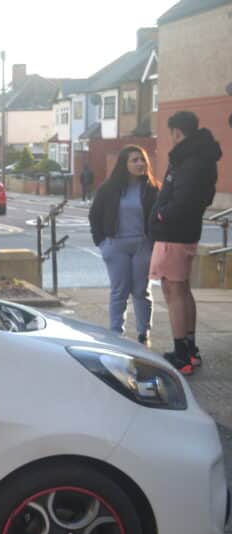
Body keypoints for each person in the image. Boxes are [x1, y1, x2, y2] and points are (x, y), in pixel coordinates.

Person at [149, 110, 222, 375]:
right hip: (184, 231)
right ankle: (189, 348)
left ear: (177, 132)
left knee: (173, 290)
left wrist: (160, 214)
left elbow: (183, 200)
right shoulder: (201, 157)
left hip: (174, 233)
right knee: (182, 289)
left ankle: (183, 355)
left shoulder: (189, 160)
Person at [89, 145, 159, 344]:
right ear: (124, 164)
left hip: (142, 245)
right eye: (134, 160)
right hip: (116, 245)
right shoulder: (109, 188)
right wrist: (102, 243)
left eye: (142, 159)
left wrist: (153, 242)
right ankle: (115, 334)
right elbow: (95, 215)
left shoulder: (153, 188)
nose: (139, 164)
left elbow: (159, 218)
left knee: (141, 290)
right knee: (119, 290)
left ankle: (143, 333)